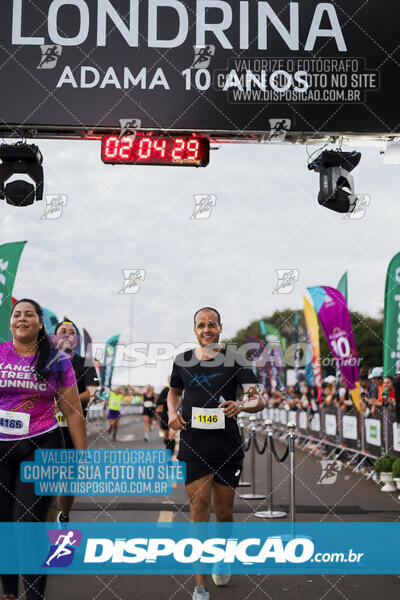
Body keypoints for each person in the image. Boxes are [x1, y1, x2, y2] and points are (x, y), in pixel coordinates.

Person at [167, 307, 266, 600]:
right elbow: (174, 392)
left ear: (220, 328)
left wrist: (242, 405)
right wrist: (172, 413)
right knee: (199, 512)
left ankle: (222, 555)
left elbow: (257, 398)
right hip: (194, 445)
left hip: (226, 446)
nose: (206, 329)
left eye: (212, 324)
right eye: (201, 325)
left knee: (224, 513)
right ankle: (199, 585)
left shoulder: (236, 359)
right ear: (194, 330)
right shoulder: (182, 360)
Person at [0, 299, 87, 600]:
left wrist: (83, 454)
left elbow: (74, 412)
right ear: (10, 322)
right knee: (5, 525)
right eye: (17, 314)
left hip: (41, 445)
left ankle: (35, 595)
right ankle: (9, 592)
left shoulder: (56, 361)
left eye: (29, 314)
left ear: (40, 323)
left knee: (29, 523)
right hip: (1, 448)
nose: (22, 318)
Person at [50, 319, 99, 523]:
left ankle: (64, 516)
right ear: (55, 337)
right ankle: (44, 526)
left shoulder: (84, 362)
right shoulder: (43, 360)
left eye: (71, 332)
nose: (67, 334)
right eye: (63, 331)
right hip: (45, 430)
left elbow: (94, 391)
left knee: (68, 482)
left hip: (72, 430)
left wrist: (66, 402)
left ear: (77, 339)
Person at [156, 377, 176, 454]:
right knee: (166, 434)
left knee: (172, 434)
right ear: (168, 381)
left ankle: (172, 451)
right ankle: (168, 449)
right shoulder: (165, 391)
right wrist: (166, 400)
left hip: (175, 414)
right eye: (170, 380)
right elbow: (158, 402)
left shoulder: (178, 390)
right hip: (165, 414)